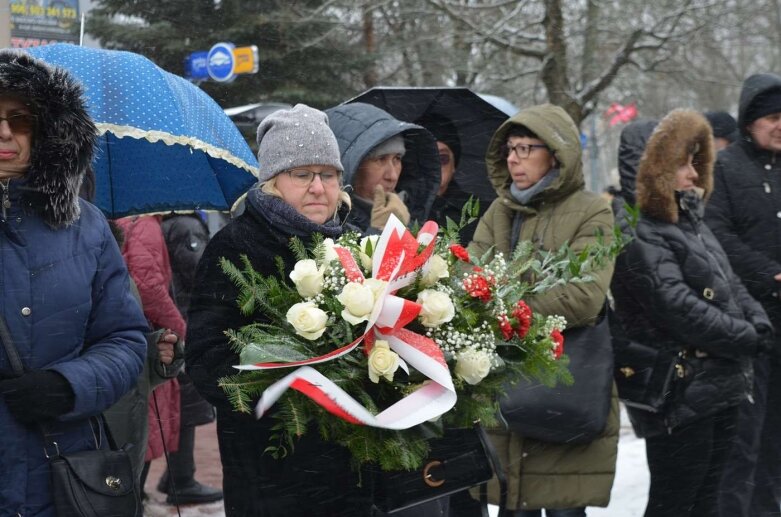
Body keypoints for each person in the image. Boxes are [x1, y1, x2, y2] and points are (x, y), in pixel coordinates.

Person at [186, 104, 371, 516]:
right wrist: (288, 387)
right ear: (272, 181)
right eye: (302, 175)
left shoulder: (359, 245)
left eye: (327, 175)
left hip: (355, 468)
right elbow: (206, 358)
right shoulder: (236, 246)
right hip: (270, 468)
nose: (318, 188)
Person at [0, 50, 147, 514]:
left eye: (19, 119)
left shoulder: (87, 227)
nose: (4, 132)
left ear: (45, 130)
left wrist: (69, 386)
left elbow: (125, 339)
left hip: (59, 474)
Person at [611, 108, 770, 516]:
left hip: (717, 384)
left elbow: (730, 283)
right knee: (675, 501)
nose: (694, 174)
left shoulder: (688, 221)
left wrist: (757, 321)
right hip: (678, 391)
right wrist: (745, 336)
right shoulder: (636, 230)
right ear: (654, 169)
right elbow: (676, 306)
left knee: (706, 500)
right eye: (682, 163)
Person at [468, 103, 618, 516]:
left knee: (563, 507)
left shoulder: (592, 210)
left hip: (565, 381)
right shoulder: (499, 211)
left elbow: (584, 296)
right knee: (514, 505)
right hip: (506, 387)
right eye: (510, 149)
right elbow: (469, 279)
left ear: (555, 153)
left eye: (525, 148)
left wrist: (506, 306)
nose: (513, 158)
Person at [704, 73, 781, 517]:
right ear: (750, 120)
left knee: (775, 444)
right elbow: (719, 238)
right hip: (748, 327)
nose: (779, 125)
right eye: (772, 117)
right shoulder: (726, 170)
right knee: (742, 445)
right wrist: (771, 274)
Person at [115, 214, 184, 498]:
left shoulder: (127, 223)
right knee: (142, 428)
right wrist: (180, 328)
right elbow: (147, 285)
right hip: (147, 340)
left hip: (133, 338)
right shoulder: (145, 225)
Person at [156, 212, 223, 505]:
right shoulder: (186, 226)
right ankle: (181, 478)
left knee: (182, 407)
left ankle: (177, 475)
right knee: (186, 409)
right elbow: (200, 273)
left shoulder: (172, 224)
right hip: (185, 319)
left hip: (179, 318)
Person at [325, 102, 440, 233]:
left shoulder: (412, 211)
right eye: (380, 159)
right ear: (352, 165)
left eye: (397, 158)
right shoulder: (326, 223)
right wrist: (380, 231)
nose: (392, 176)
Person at [417, 112, 489, 245]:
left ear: (454, 164)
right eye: (427, 158)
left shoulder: (481, 212)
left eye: (442, 158)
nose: (435, 166)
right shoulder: (398, 209)